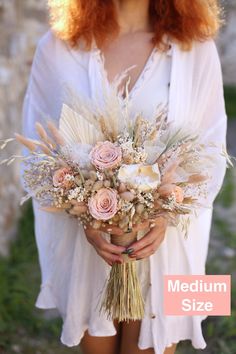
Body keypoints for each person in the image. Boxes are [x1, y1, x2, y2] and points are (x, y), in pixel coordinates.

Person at [20, 0, 227, 353]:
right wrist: (85, 214)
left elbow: (212, 145)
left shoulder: (197, 45)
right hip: (89, 245)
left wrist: (165, 213)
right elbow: (36, 148)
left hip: (172, 243)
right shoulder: (57, 46)